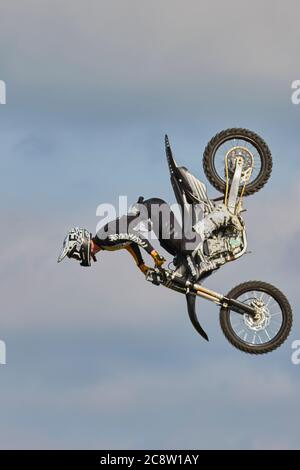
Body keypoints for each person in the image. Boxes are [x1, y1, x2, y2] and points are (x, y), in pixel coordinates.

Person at [58, 196, 202, 278]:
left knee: (182, 245)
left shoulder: (103, 238)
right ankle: (194, 259)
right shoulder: (104, 244)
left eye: (75, 255)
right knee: (173, 249)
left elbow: (134, 235)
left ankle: (210, 221)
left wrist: (154, 255)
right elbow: (129, 244)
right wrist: (141, 264)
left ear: (80, 245)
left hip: (153, 209)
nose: (78, 258)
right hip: (152, 215)